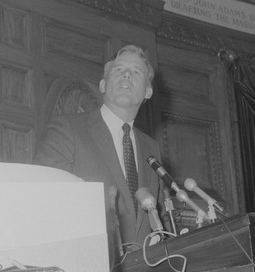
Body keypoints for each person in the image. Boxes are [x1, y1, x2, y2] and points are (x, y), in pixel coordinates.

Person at [32, 45, 163, 256]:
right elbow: (42, 206)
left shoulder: (151, 148)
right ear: (103, 84)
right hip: (85, 268)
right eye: (118, 70)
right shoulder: (67, 130)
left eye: (136, 72)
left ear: (148, 91)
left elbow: (155, 220)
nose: (127, 75)